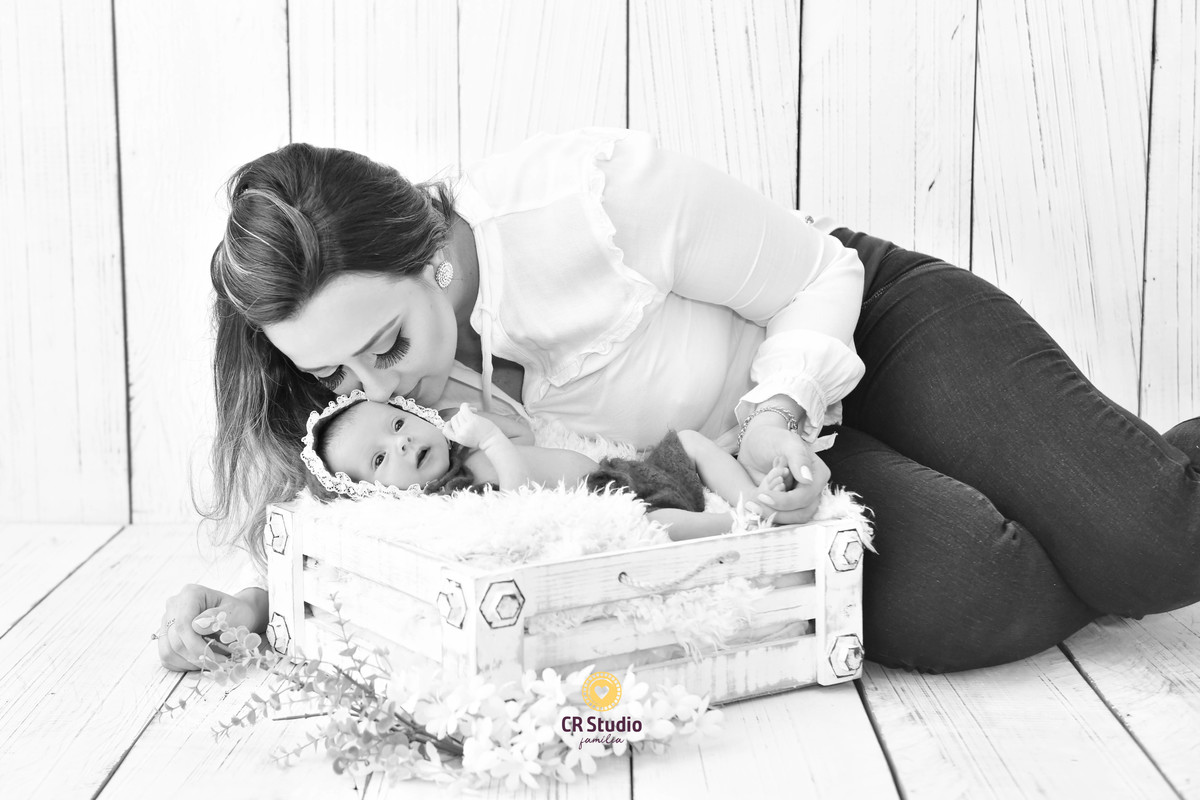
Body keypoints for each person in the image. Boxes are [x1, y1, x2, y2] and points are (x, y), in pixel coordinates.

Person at [157, 127, 1200, 675]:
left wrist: (779, 411)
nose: (380, 389)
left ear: (432, 256)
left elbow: (819, 275)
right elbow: (364, 524)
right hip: (752, 478)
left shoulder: (590, 199)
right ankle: (1083, 500)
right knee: (976, 590)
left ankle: (1118, 501)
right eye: (340, 375)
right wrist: (259, 601)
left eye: (387, 345)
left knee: (1152, 537)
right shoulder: (378, 404)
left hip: (859, 325)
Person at [300, 391, 794, 540]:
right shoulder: (455, 494)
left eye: (397, 423)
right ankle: (737, 524)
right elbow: (517, 503)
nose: (403, 442)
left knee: (687, 441)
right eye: (380, 458)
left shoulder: (461, 449)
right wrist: (488, 440)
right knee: (651, 526)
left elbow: (525, 435)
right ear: (376, 495)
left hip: (622, 473)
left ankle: (753, 497)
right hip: (612, 506)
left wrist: (465, 422)